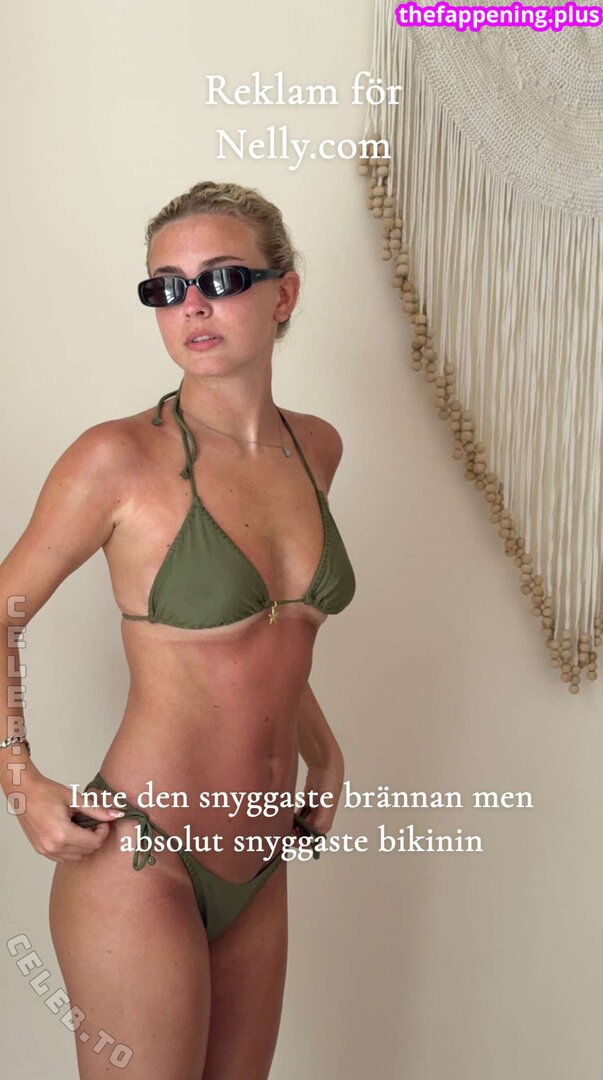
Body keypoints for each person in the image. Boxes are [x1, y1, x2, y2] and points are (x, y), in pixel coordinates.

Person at [0, 180, 356, 1079]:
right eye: (165, 287)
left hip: (262, 857)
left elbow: (268, 639)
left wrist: (324, 752)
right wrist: (19, 778)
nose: (191, 304)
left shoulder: (317, 449)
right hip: (140, 854)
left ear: (284, 293)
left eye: (222, 278)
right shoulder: (116, 459)